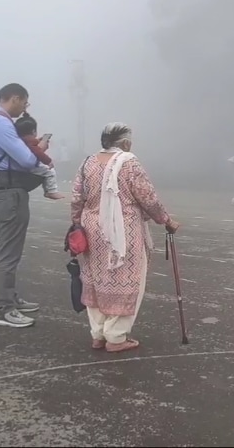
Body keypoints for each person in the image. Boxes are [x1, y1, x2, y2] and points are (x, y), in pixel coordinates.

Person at [71, 122, 179, 353]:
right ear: (126, 142)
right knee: (127, 279)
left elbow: (76, 198)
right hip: (123, 231)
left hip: (92, 229)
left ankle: (98, 334)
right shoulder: (129, 163)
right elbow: (148, 198)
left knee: (96, 279)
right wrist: (166, 220)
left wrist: (76, 223)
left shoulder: (87, 162)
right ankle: (116, 337)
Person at [0, 83, 43, 328]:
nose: (25, 108)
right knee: (8, 253)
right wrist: (39, 149)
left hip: (8, 191)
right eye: (25, 102)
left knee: (11, 251)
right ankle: (3, 308)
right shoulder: (0, 123)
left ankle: (10, 298)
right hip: (9, 193)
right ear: (15, 98)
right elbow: (28, 160)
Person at [14, 114, 64, 200]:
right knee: (49, 171)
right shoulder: (31, 142)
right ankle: (51, 191)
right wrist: (48, 161)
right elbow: (38, 152)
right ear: (34, 131)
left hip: (19, 168)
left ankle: (48, 190)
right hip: (30, 168)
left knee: (44, 172)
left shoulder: (18, 141)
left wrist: (38, 141)